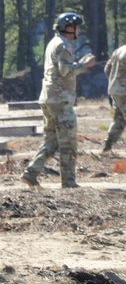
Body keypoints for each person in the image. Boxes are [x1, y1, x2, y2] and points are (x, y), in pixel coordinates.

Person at [20, 12, 97, 189]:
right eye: (77, 27)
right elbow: (65, 70)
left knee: (51, 141)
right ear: (69, 28)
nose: (79, 30)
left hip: (49, 99)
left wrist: (79, 62)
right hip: (60, 100)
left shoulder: (54, 42)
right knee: (68, 141)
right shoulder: (63, 45)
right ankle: (68, 182)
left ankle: (31, 173)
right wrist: (85, 64)